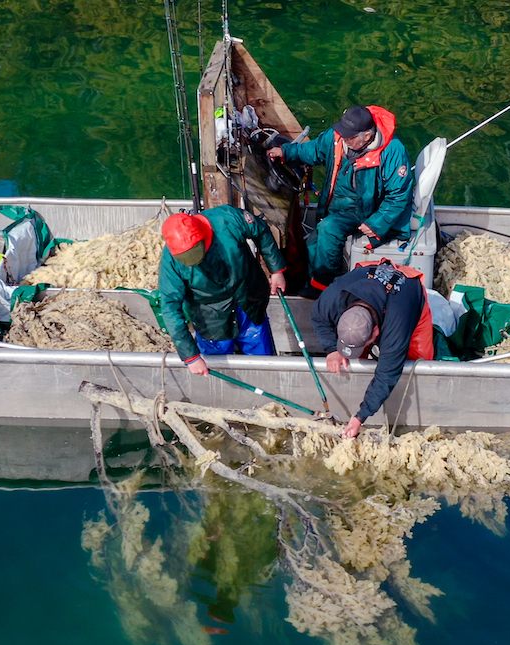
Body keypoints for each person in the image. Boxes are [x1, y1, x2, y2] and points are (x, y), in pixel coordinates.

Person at [267, 105, 414, 297]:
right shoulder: (338, 137)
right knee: (312, 243)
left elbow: (399, 194)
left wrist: (377, 223)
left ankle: (323, 286)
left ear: (368, 136)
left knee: (329, 229)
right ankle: (308, 277)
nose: (344, 139)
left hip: (367, 210)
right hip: (336, 204)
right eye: (343, 133)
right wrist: (286, 152)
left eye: (351, 137)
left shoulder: (393, 151)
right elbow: (313, 150)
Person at [311, 260, 434, 438]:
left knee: (418, 360)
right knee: (354, 356)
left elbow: (387, 374)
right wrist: (331, 349)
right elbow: (318, 318)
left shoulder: (397, 323)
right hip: (369, 272)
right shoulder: (334, 298)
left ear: (376, 332)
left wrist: (361, 416)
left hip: (406, 290)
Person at [159, 207, 287, 375]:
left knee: (262, 359)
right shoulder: (170, 263)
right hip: (211, 318)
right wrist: (191, 356)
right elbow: (169, 307)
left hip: (249, 301)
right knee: (216, 367)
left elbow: (260, 229)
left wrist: (276, 270)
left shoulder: (227, 218)